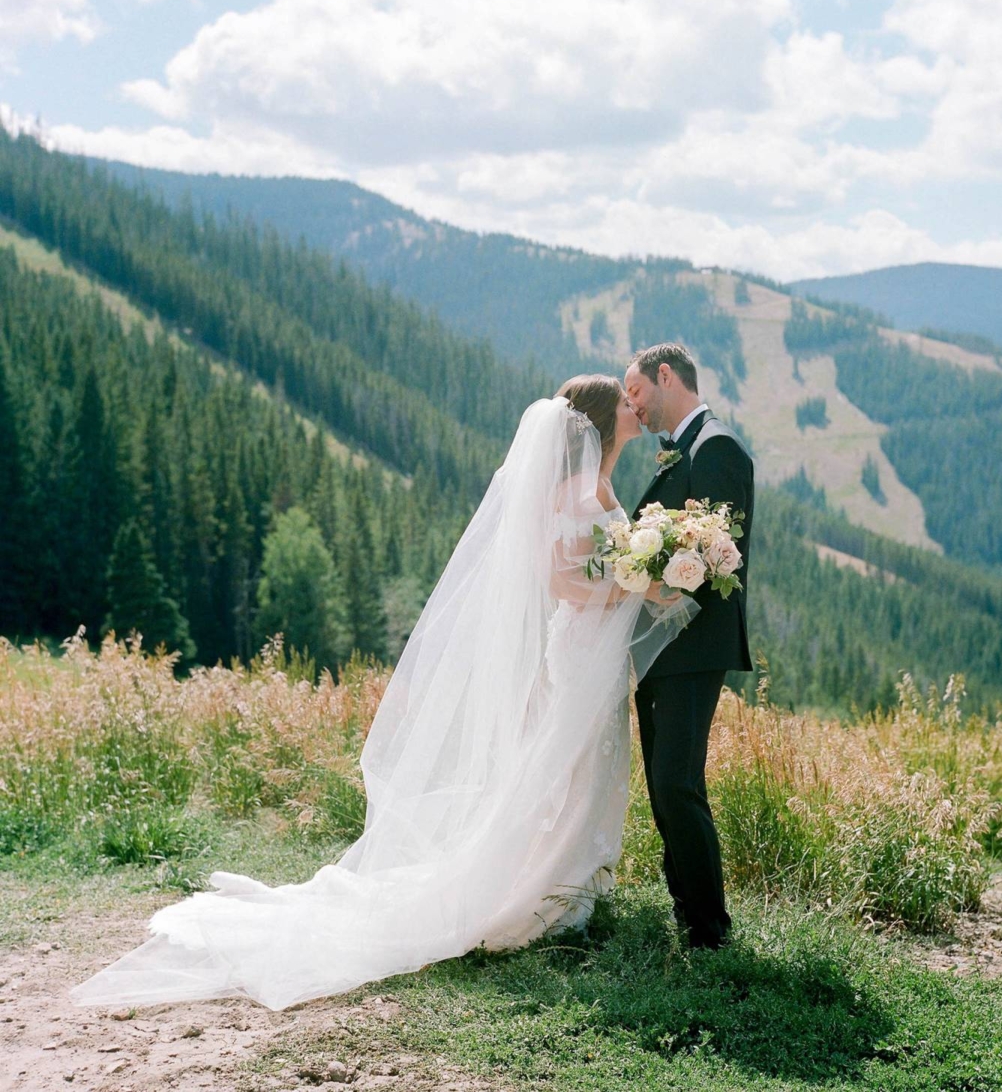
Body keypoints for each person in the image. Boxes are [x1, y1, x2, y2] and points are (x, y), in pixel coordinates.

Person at [71, 376, 694, 1012]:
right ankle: (548, 893)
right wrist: (633, 583)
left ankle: (573, 888)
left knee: (588, 765)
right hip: (579, 648)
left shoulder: (603, 481)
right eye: (624, 401)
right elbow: (559, 578)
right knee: (566, 765)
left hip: (599, 654)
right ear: (596, 421)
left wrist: (641, 573)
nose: (633, 406)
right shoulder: (568, 489)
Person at [623, 342, 755, 951]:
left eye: (638, 392)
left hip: (693, 644)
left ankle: (709, 931)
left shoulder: (717, 446)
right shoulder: (686, 447)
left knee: (678, 781)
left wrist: (661, 584)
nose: (634, 405)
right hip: (663, 645)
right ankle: (687, 914)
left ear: (666, 376)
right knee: (661, 781)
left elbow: (720, 551)